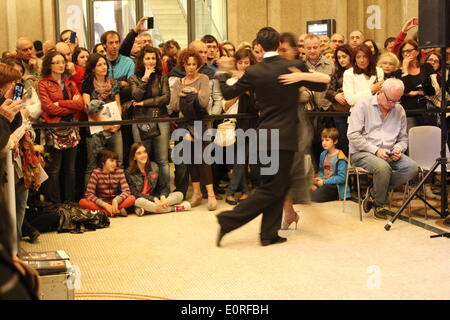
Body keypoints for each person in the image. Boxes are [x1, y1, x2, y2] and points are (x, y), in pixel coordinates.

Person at [215, 27, 328, 247]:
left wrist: (221, 73)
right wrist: (302, 75)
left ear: (259, 46)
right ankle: (228, 220)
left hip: (264, 135)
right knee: (272, 188)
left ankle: (269, 234)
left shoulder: (255, 71)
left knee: (277, 185)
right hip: (284, 137)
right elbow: (323, 83)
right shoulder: (290, 67)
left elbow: (228, 93)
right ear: (277, 44)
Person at [347, 78, 418, 219]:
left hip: (389, 152)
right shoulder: (362, 105)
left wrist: (398, 149)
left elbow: (403, 138)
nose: (392, 105)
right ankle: (379, 203)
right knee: (383, 167)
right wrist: (376, 150)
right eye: (390, 100)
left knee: (412, 168)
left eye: (396, 101)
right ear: (380, 92)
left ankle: (374, 193)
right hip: (362, 153)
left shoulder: (399, 109)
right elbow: (353, 135)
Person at [168, 49, 217, 211]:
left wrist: (192, 93)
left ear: (198, 65)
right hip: (184, 124)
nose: (190, 67)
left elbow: (203, 102)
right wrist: (186, 93)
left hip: (200, 123)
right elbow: (173, 106)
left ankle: (210, 194)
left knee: (203, 158)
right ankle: (196, 193)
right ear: (183, 64)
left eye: (194, 64)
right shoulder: (177, 83)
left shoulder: (203, 78)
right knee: (189, 159)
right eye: (188, 64)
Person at [38, 50, 85, 204]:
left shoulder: (70, 83)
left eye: (62, 62)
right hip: (54, 127)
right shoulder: (43, 83)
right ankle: (56, 203)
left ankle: (70, 202)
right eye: (56, 62)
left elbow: (80, 104)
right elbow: (49, 108)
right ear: (49, 65)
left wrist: (62, 103)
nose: (60, 65)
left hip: (72, 126)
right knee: (55, 169)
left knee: (70, 169)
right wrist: (69, 106)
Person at [128, 46, 171, 197]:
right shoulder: (134, 78)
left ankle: (165, 192)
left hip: (161, 119)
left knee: (162, 159)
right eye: (147, 58)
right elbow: (136, 95)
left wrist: (144, 104)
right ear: (141, 60)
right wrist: (145, 78)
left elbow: (166, 99)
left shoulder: (162, 77)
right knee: (142, 158)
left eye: (153, 58)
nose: (151, 61)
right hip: (140, 121)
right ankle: (145, 192)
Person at [222, 48, 257, 205]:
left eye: (247, 62)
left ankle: (231, 192)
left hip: (254, 124)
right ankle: (244, 191)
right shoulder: (231, 81)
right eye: (240, 62)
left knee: (241, 159)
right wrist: (240, 88)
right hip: (235, 124)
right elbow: (225, 105)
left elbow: (256, 104)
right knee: (238, 160)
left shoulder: (257, 81)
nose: (243, 65)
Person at [82, 53, 123, 185]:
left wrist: (118, 122)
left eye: (105, 64)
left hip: (114, 127)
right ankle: (89, 197)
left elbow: (118, 103)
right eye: (99, 64)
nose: (103, 67)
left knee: (118, 161)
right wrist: (103, 123)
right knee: (92, 165)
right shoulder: (88, 83)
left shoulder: (113, 82)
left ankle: (118, 193)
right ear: (93, 68)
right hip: (96, 127)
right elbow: (86, 107)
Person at [126, 142, 190, 216]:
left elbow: (163, 186)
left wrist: (162, 197)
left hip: (156, 199)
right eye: (139, 153)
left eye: (144, 152)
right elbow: (135, 193)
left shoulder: (154, 166)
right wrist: (153, 199)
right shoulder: (129, 172)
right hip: (144, 200)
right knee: (138, 201)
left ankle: (147, 210)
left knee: (179, 194)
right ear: (134, 157)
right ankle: (174, 208)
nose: (143, 155)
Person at [79, 149, 135, 217]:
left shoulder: (119, 172)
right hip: (101, 203)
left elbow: (126, 191)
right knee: (82, 202)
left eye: (115, 161)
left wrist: (116, 200)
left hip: (116, 203)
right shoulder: (96, 173)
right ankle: (115, 211)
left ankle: (106, 212)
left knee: (132, 198)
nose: (114, 164)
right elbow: (89, 194)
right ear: (103, 162)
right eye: (111, 161)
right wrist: (104, 205)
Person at [394, 40, 435, 130]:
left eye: (409, 51)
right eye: (403, 52)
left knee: (429, 139)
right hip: (409, 112)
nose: (406, 54)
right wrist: (405, 70)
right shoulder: (398, 73)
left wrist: (415, 92)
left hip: (427, 110)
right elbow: (406, 90)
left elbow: (432, 89)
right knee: (412, 139)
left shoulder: (427, 67)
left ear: (417, 51)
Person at [326, 44, 353, 156]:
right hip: (340, 112)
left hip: (356, 110)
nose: (341, 60)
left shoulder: (359, 71)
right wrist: (335, 95)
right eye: (339, 57)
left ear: (351, 56)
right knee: (343, 140)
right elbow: (328, 91)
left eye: (344, 56)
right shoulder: (337, 73)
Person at [310, 128, 351, 203]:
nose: (324, 143)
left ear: (335, 141)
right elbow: (321, 170)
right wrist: (318, 179)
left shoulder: (340, 157)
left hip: (336, 186)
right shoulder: (323, 154)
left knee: (316, 196)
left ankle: (315, 193)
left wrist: (324, 182)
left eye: (327, 140)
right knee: (304, 189)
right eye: (323, 140)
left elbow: (342, 178)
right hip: (324, 183)